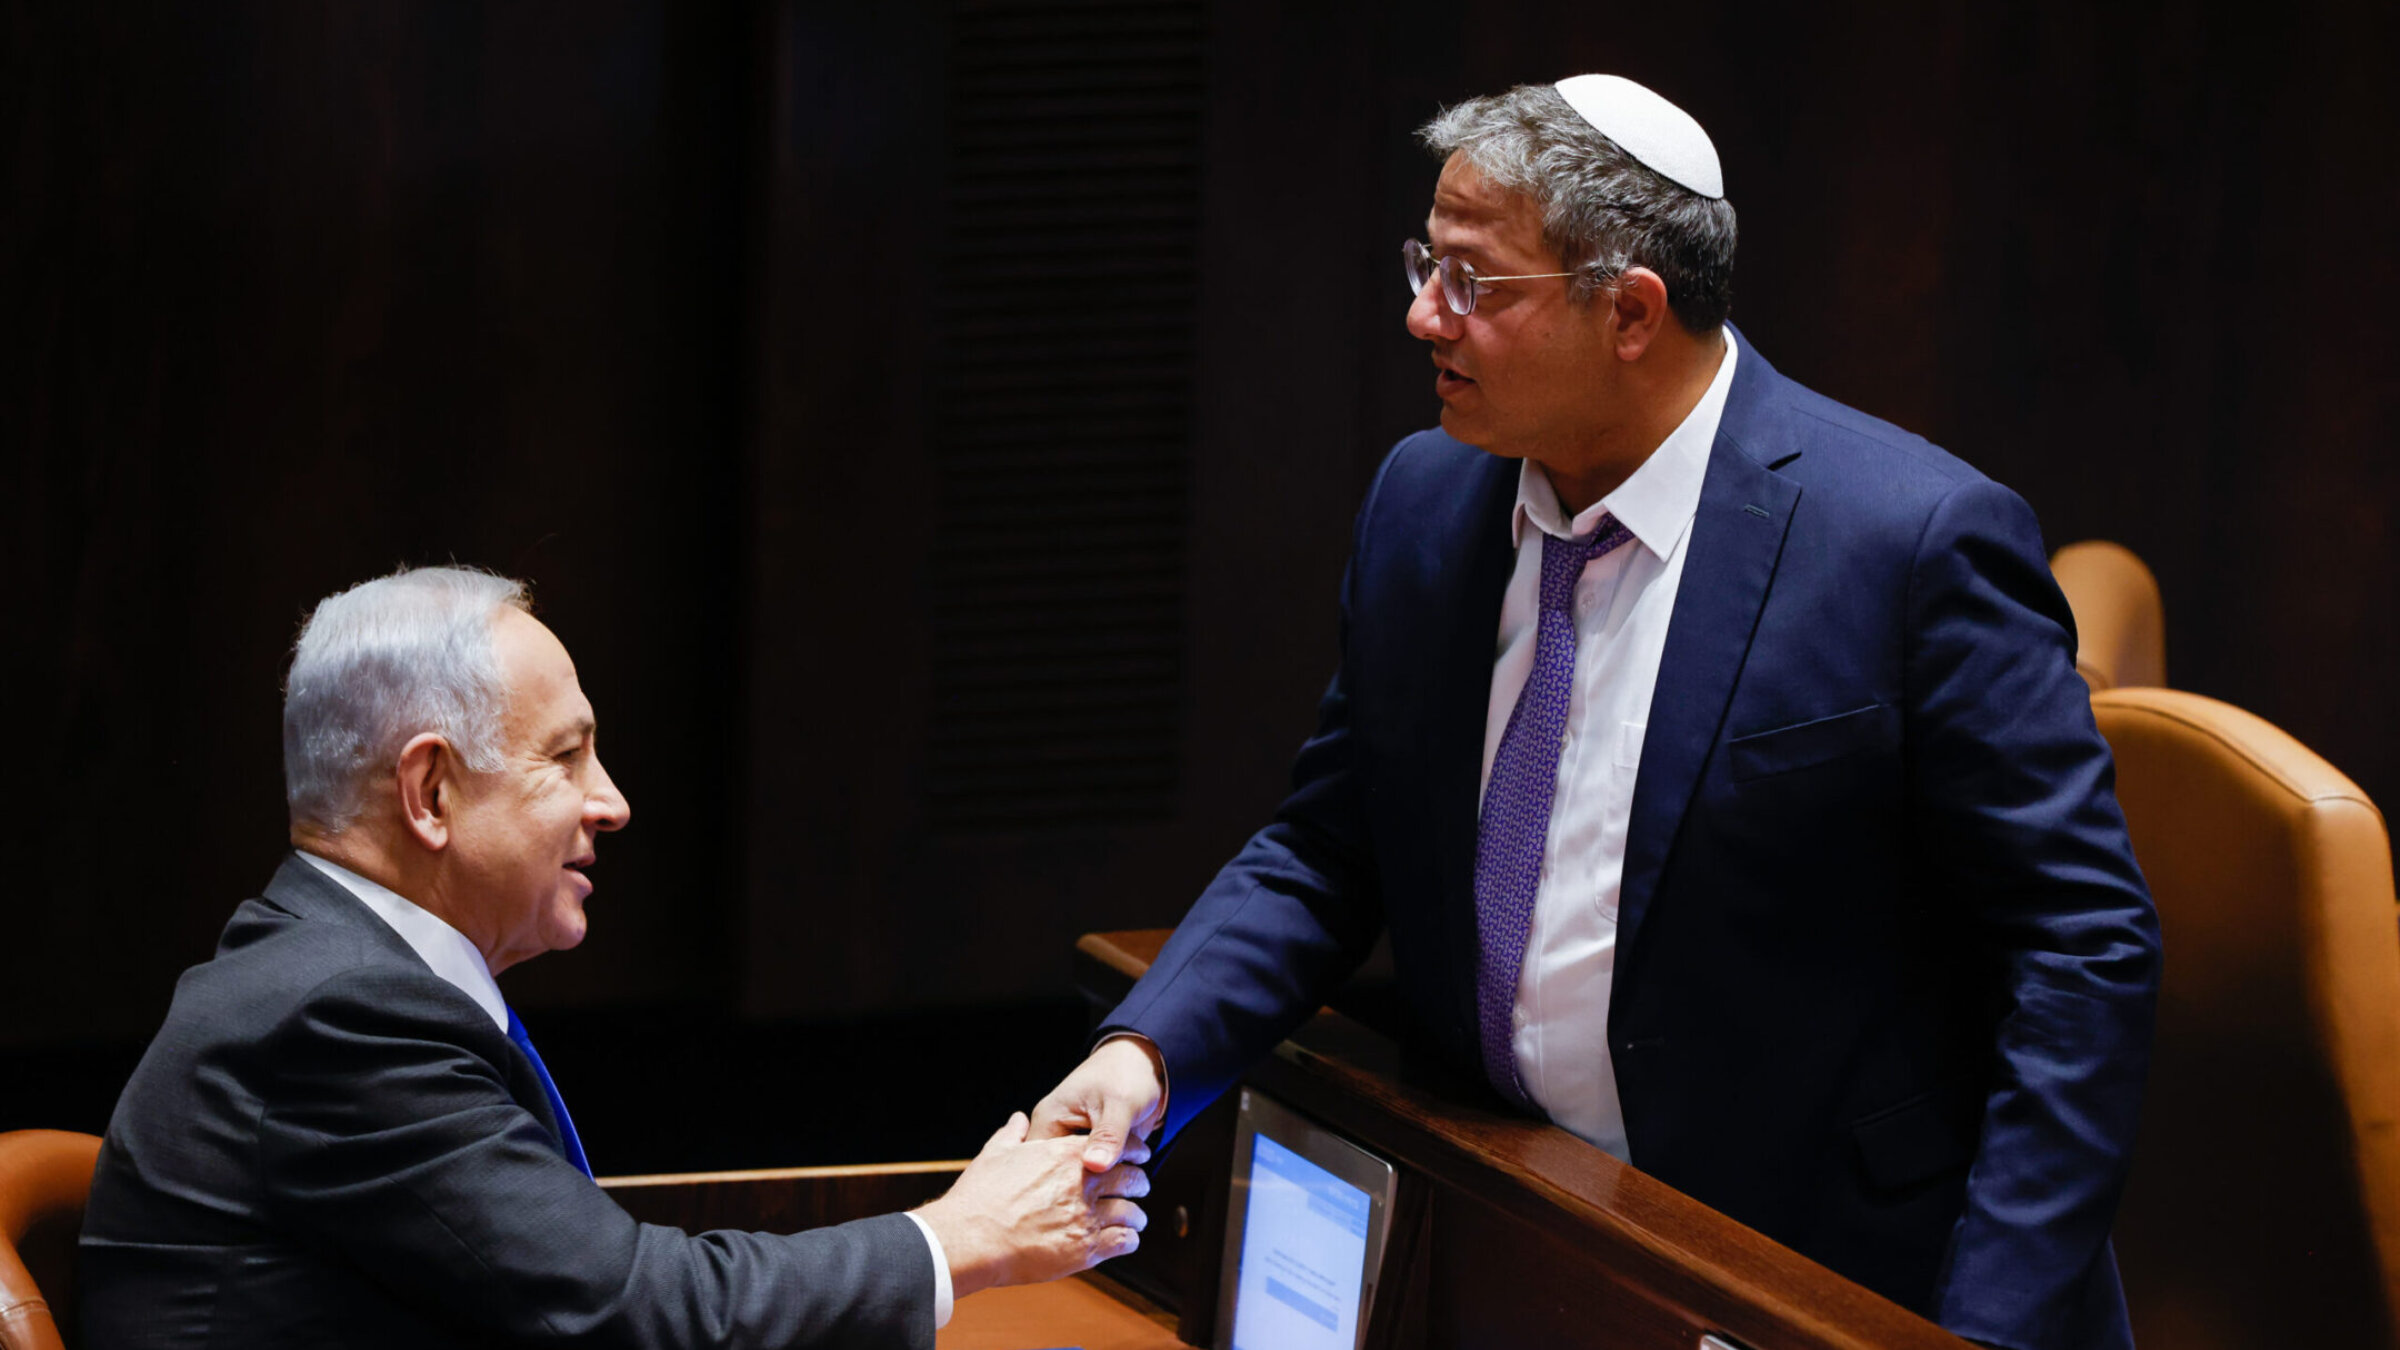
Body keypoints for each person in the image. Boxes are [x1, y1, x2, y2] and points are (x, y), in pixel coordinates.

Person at [1030, 76, 2159, 1349]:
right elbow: (1331, 844)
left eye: (1475, 282)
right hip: (1526, 1226)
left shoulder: (1906, 544)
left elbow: (2083, 954)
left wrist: (1982, 1333)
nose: (1422, 316)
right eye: (1427, 264)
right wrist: (1150, 1057)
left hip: (1826, 1279)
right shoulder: (1428, 498)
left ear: (1630, 310)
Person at [80, 566, 1147, 1349]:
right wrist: (960, 1238)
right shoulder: (337, 1016)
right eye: (565, 756)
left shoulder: (336, 972)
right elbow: (626, 1308)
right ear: (432, 793)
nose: (614, 802)